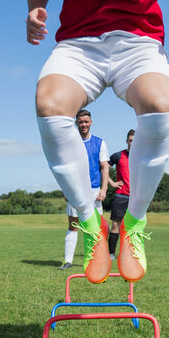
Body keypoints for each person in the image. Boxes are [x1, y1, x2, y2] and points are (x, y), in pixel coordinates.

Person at [24, 0, 169, 283]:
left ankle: (134, 223)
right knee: (49, 104)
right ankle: (91, 226)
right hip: (78, 43)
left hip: (138, 40)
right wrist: (36, 8)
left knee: (158, 102)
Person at [59, 109, 111, 270]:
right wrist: (65, 190)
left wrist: (104, 189)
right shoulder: (69, 143)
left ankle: (98, 259)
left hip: (94, 190)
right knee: (73, 225)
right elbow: (64, 169)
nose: (83, 124)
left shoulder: (100, 143)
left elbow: (104, 167)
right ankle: (67, 261)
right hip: (75, 190)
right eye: (80, 122)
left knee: (97, 227)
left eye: (86, 121)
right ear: (76, 123)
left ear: (91, 122)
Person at [107, 129, 135, 259]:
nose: (132, 143)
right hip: (121, 196)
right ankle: (111, 254)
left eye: (135, 141)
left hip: (136, 198)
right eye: (130, 140)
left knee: (132, 227)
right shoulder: (118, 156)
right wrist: (111, 182)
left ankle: (129, 254)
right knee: (115, 225)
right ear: (126, 141)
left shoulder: (142, 157)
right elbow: (103, 167)